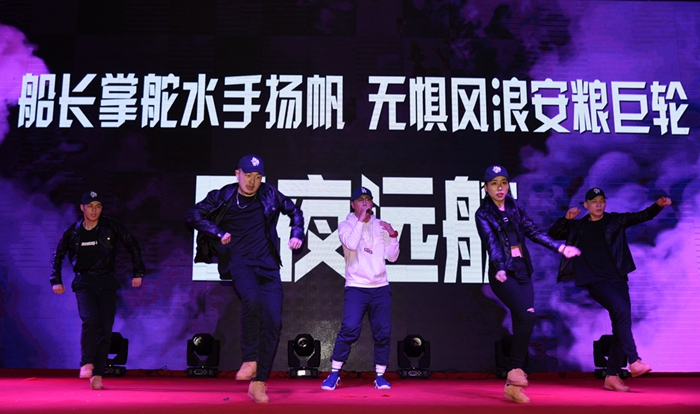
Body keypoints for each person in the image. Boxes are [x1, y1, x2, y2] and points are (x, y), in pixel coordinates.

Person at [185, 154, 304, 404]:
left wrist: (297, 233)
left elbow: (294, 211)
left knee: (273, 321)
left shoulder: (269, 194)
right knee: (251, 299)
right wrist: (218, 232)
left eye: (258, 177)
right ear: (237, 174)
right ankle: (249, 359)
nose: (252, 182)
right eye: (248, 175)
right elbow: (193, 214)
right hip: (240, 263)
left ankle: (258, 382)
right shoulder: (223, 195)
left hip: (268, 266)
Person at [547, 187, 672, 392]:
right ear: (586, 205)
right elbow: (553, 234)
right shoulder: (578, 226)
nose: (598, 205)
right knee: (621, 313)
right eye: (594, 201)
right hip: (595, 281)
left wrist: (658, 205)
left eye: (601, 201)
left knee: (621, 323)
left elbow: (642, 216)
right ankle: (634, 360)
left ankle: (612, 376)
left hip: (618, 279)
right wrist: (566, 219)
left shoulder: (615, 220)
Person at [475, 166, 580, 404]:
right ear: (486, 188)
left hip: (522, 270)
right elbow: (491, 242)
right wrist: (499, 267)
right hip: (503, 273)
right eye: (494, 183)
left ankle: (512, 386)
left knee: (522, 321)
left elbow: (534, 231)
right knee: (528, 316)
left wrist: (561, 247)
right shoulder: (483, 214)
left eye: (503, 182)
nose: (500, 188)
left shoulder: (514, 208)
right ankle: (515, 370)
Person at [50, 190, 145, 390]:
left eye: (98, 206)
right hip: (84, 282)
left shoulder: (111, 227)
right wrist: (56, 280)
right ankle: (86, 362)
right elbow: (58, 255)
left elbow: (133, 244)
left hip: (106, 281)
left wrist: (138, 272)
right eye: (90, 206)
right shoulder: (73, 231)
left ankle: (98, 373)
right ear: (82, 208)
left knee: (105, 328)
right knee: (91, 319)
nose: (94, 211)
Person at [321, 187, 400, 391]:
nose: (365, 203)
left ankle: (380, 376)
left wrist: (392, 236)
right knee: (349, 328)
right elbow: (352, 243)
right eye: (360, 200)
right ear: (352, 204)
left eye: (368, 199)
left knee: (383, 332)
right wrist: (361, 221)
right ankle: (334, 373)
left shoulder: (380, 225)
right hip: (356, 286)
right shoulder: (346, 225)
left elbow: (392, 257)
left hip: (380, 287)